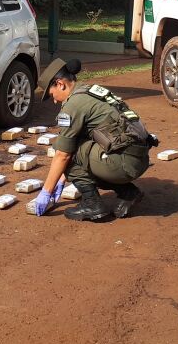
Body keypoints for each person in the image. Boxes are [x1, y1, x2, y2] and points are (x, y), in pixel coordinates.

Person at [29, 57, 155, 222]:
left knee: (68, 153)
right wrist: (62, 179)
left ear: (60, 84)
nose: (54, 100)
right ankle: (128, 193)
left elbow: (63, 155)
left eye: (52, 94)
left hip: (124, 162)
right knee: (77, 149)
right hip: (139, 157)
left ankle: (92, 205)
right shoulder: (91, 90)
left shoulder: (73, 105)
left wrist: (46, 192)